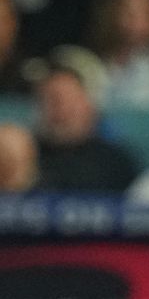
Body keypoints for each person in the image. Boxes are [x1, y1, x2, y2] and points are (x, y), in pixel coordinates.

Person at [30, 51, 140, 193]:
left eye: (69, 100)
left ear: (89, 104)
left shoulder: (116, 162)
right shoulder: (26, 158)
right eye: (52, 101)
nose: (62, 111)